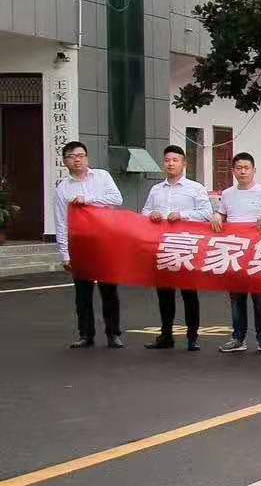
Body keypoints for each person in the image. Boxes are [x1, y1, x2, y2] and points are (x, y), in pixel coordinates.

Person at [141, 144, 212, 350]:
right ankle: (166, 335)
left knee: (189, 293)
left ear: (184, 163)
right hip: (161, 247)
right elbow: (144, 213)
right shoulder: (156, 189)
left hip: (186, 247)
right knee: (164, 294)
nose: (170, 164)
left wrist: (183, 215)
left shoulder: (195, 188)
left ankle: (192, 337)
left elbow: (207, 214)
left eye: (175, 160)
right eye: (167, 160)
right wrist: (151, 214)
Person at [55, 141, 124, 349]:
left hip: (105, 241)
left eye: (81, 155)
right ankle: (86, 334)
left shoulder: (102, 176)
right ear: (65, 161)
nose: (77, 160)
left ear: (87, 157)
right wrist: (65, 254)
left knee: (109, 291)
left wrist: (88, 199)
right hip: (80, 244)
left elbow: (117, 199)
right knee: (82, 293)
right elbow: (61, 221)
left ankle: (113, 334)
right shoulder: (63, 188)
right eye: (71, 156)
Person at [214, 152, 261, 354]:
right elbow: (223, 214)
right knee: (236, 298)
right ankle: (238, 337)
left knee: (259, 298)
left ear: (254, 170)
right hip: (234, 251)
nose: (242, 171)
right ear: (233, 171)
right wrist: (217, 215)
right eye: (239, 168)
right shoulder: (227, 194)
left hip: (258, 252)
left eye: (246, 168)